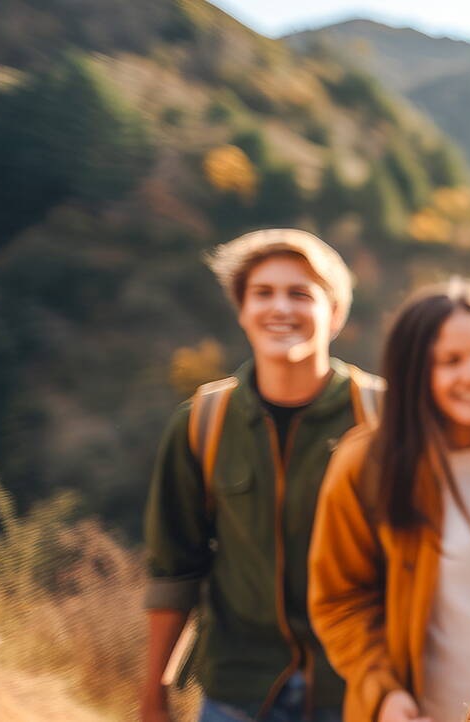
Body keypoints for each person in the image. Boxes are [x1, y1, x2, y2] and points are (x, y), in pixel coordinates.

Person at [308, 279, 470, 722]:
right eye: (450, 362)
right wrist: (383, 695)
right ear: (415, 372)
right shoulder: (365, 464)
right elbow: (339, 600)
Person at [143, 229, 379, 722]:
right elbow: (173, 569)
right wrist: (152, 694)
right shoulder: (200, 423)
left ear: (334, 314)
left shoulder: (384, 416)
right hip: (237, 689)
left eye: (300, 293)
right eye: (263, 293)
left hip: (359, 687)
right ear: (242, 310)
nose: (280, 308)